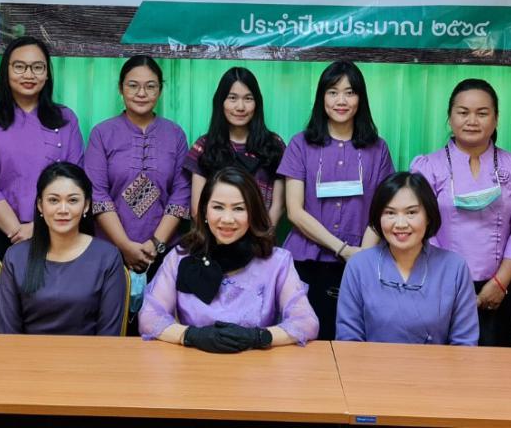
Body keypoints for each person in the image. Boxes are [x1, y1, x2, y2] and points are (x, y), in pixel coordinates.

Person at [411, 79, 511, 347]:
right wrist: (448, 283)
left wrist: (500, 283)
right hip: (439, 285)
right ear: (450, 118)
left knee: (492, 366)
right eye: (463, 112)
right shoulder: (427, 167)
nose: (472, 121)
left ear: (496, 118)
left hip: (499, 289)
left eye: (482, 113)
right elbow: (420, 229)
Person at [140, 166, 318, 351]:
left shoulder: (277, 261)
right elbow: (149, 317)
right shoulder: (179, 257)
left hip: (255, 362)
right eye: (218, 207)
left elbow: (306, 323)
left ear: (253, 213)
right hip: (193, 361)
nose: (227, 219)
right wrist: (191, 335)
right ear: (205, 211)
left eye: (239, 208)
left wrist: (258, 337)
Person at [279, 61, 393, 341]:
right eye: (333, 92)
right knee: (304, 340)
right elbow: (294, 211)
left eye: (349, 92)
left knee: (353, 341)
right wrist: (342, 249)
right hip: (307, 259)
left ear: (360, 99)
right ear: (322, 97)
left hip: (363, 259)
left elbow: (383, 210)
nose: (341, 100)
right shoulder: (300, 144)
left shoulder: (378, 148)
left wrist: (361, 256)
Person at [0, 36, 84, 258]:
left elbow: (75, 181)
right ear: (6, 71)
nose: (29, 75)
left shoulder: (66, 118)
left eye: (37, 67)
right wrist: (18, 232)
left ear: (47, 73)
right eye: (19, 67)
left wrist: (39, 229)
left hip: (56, 229)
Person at [336, 172, 479, 345]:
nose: (401, 224)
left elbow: (465, 343)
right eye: (390, 213)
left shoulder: (455, 268)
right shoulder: (359, 266)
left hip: (438, 363)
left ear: (428, 216)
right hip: (372, 363)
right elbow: (349, 341)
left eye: (411, 212)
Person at [84, 56, 189, 285]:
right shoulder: (102, 134)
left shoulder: (175, 134)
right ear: (120, 88)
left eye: (150, 86)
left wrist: (155, 244)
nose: (141, 93)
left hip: (164, 252)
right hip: (109, 251)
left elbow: (181, 194)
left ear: (160, 90)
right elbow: (97, 193)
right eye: (133, 85)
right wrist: (124, 246)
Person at [0, 162, 128, 335]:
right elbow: (7, 333)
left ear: (86, 205)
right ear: (40, 205)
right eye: (53, 200)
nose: (63, 209)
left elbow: (109, 336)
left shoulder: (108, 257)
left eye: (73, 200)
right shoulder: (15, 257)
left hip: (89, 353)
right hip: (26, 353)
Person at [186, 67, 285, 227]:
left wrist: (263, 236)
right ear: (221, 102)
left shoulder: (273, 144)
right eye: (232, 98)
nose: (240, 107)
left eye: (248, 98)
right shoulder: (204, 146)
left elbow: (278, 206)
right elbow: (197, 209)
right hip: (216, 236)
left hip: (261, 236)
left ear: (257, 103)